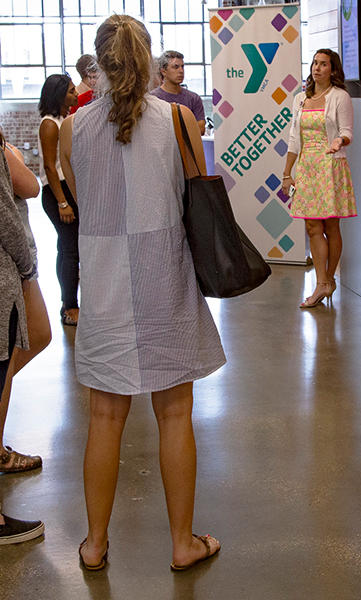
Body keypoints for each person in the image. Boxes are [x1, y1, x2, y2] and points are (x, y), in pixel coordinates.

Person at [60, 14, 225, 571]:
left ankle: (95, 543)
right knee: (175, 412)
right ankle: (183, 542)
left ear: (99, 64)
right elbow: (194, 194)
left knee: (105, 416)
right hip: (165, 277)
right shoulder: (179, 120)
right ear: (150, 60)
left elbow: (82, 202)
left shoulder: (71, 129)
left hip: (104, 282)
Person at [282, 49, 357, 308]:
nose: (317, 68)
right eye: (315, 63)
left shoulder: (340, 97)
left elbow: (347, 132)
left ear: (333, 70)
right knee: (312, 226)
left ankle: (328, 279)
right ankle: (323, 282)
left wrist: (339, 141)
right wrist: (286, 173)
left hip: (330, 166)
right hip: (306, 167)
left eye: (323, 64)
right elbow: (294, 138)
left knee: (331, 226)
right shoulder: (301, 99)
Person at [0, 132, 45, 545]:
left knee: (31, 341)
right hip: (8, 272)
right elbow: (26, 188)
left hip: (13, 271)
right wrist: (27, 266)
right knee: (4, 366)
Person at [38, 74, 79, 326]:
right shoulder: (50, 124)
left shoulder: (64, 121)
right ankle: (70, 307)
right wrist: (62, 202)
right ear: (59, 94)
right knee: (70, 250)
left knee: (66, 248)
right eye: (72, 91)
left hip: (66, 190)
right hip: (56, 193)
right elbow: (50, 167)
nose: (76, 95)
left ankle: (68, 302)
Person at [150, 50, 206, 135]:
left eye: (182, 67)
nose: (181, 71)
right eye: (176, 67)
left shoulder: (193, 98)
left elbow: (201, 129)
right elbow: (153, 130)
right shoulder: (153, 98)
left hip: (187, 148)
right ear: (163, 71)